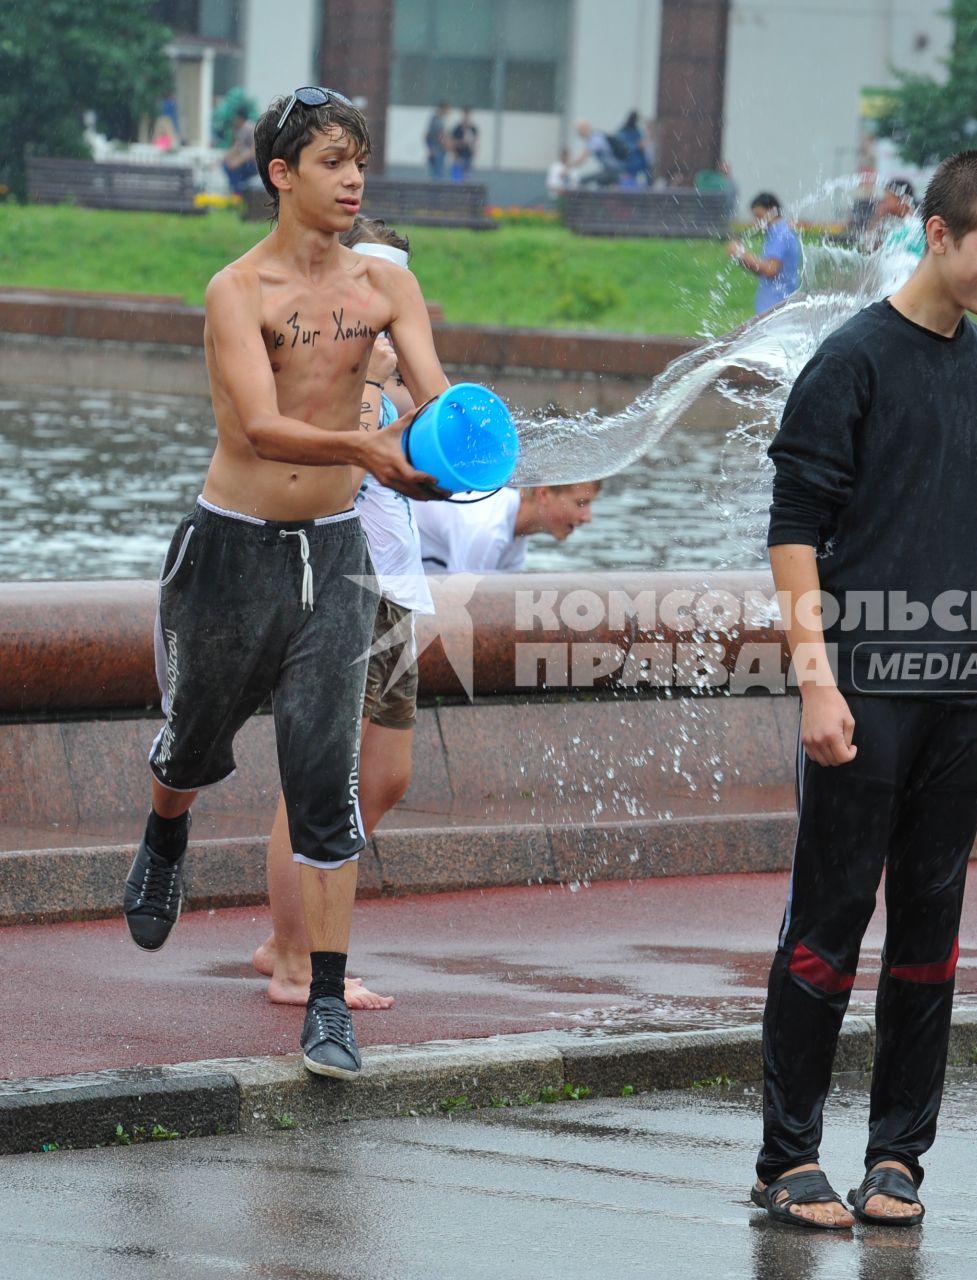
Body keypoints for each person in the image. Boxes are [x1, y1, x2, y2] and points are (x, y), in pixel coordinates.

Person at [755, 150, 977, 1230]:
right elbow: (794, 533)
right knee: (828, 920)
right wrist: (815, 684)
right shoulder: (850, 360)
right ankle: (787, 1154)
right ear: (938, 234)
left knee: (931, 923)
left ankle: (897, 1156)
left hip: (957, 690)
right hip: (863, 683)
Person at [123, 87, 450, 1081]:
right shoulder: (238, 290)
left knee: (325, 778)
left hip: (338, 553)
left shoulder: (386, 289)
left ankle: (323, 998)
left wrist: (457, 441)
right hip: (229, 549)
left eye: (360, 161)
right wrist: (369, 445)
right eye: (332, 162)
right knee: (191, 744)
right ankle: (164, 830)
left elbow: (432, 399)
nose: (353, 180)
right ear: (281, 174)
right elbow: (261, 426)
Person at [249, 216, 436, 1009]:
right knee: (321, 783)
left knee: (385, 777)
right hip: (336, 586)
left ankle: (293, 931)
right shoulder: (328, 385)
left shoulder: (389, 390)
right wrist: (366, 383)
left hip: (392, 593)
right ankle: (295, 955)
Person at [413, 482, 601, 573]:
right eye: (581, 503)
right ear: (543, 494)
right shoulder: (487, 529)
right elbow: (459, 608)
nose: (588, 517)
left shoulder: (515, 529)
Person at [728, 193, 802, 315]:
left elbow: (770, 269)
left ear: (772, 211)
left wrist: (740, 254)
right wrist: (741, 258)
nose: (757, 222)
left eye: (759, 216)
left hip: (776, 310)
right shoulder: (779, 232)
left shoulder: (780, 234)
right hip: (777, 308)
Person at [221, 108, 257, 193]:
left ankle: (237, 194)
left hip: (255, 164)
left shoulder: (250, 128)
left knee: (234, 169)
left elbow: (255, 150)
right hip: (247, 162)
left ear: (240, 118)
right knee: (227, 165)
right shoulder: (242, 129)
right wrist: (222, 159)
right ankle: (236, 192)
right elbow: (236, 148)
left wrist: (238, 161)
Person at [424, 103, 450, 182]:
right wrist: (447, 145)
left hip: (436, 150)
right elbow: (440, 136)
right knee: (438, 176)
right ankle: (436, 193)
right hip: (438, 151)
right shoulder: (437, 122)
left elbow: (427, 136)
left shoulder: (434, 120)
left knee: (435, 174)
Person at [449, 108, 477, 183]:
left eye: (468, 115)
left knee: (467, 179)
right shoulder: (457, 129)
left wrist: (473, 149)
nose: (467, 117)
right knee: (456, 180)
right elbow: (452, 142)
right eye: (465, 115)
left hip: (468, 157)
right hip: (459, 156)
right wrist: (461, 143)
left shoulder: (473, 129)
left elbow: (475, 143)